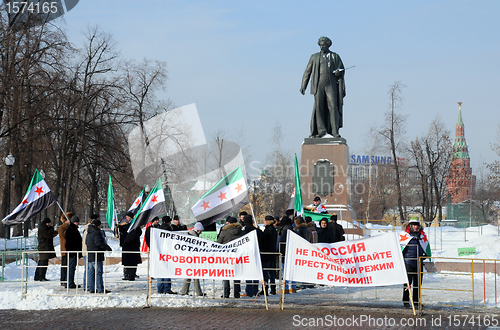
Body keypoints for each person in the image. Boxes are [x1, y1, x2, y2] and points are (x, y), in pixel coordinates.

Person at [300, 36, 346, 138]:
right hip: (318, 84)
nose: (322, 47)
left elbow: (341, 69)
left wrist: (339, 72)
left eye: (324, 45)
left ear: (328, 45)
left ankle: (334, 131)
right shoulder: (314, 57)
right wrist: (303, 85)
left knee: (333, 106)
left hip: (331, 84)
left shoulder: (335, 56)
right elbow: (307, 71)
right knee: (319, 107)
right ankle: (321, 130)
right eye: (320, 45)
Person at [400, 219, 430, 308]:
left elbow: (426, 246)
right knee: (408, 283)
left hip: (419, 262)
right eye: (413, 225)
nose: (415, 227)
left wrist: (425, 256)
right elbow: (400, 247)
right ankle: (406, 301)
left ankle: (416, 301)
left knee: (417, 284)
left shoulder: (422, 236)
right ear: (410, 225)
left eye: (417, 225)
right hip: (408, 262)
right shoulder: (404, 235)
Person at [217, 216, 243, 298]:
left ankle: (226, 293)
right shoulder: (242, 232)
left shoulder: (224, 232)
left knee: (226, 275)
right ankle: (236, 293)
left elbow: (218, 243)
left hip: (226, 257)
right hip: (238, 257)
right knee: (237, 275)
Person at [86, 219, 112, 293]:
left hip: (90, 255)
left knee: (91, 272)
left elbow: (86, 242)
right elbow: (99, 243)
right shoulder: (97, 233)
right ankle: (100, 288)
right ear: (98, 225)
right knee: (98, 272)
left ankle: (91, 288)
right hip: (97, 255)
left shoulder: (89, 233)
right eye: (100, 224)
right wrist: (107, 247)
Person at [180, 222, 205, 296]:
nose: (201, 232)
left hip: (190, 258)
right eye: (201, 231)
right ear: (198, 230)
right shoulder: (193, 236)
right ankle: (196, 292)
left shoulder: (191, 234)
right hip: (191, 258)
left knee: (191, 275)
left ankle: (185, 292)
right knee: (193, 275)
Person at [242, 214, 264, 297]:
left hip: (247, 253)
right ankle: (255, 290)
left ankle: (249, 291)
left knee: (248, 273)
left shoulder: (244, 231)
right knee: (255, 273)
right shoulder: (257, 231)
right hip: (257, 253)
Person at [58, 213, 82, 288]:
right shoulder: (64, 228)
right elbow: (64, 236)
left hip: (70, 251)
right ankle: (65, 281)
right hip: (67, 250)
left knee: (70, 267)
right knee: (66, 266)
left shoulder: (71, 228)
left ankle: (67, 281)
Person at [118, 212, 142, 281]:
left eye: (128, 217)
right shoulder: (126, 225)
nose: (126, 218)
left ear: (131, 218)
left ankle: (131, 275)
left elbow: (138, 233)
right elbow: (122, 231)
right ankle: (126, 274)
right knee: (126, 262)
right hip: (126, 246)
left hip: (133, 246)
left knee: (133, 262)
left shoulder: (135, 225)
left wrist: (130, 238)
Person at [278, 216, 295, 294]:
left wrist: (280, 251)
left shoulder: (284, 230)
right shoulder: (292, 229)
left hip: (285, 253)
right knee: (292, 271)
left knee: (285, 271)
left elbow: (282, 242)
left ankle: (286, 288)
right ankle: (293, 287)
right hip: (292, 252)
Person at [261, 215, 277, 295]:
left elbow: (264, 242)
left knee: (265, 273)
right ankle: (273, 289)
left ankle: (265, 289)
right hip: (272, 253)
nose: (264, 222)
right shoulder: (274, 230)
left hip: (266, 254)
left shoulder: (267, 230)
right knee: (271, 273)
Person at [81, 215, 97, 290]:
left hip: (85, 251)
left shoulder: (86, 229)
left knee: (87, 269)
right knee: (89, 269)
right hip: (88, 251)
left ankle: (86, 285)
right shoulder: (90, 230)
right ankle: (87, 285)